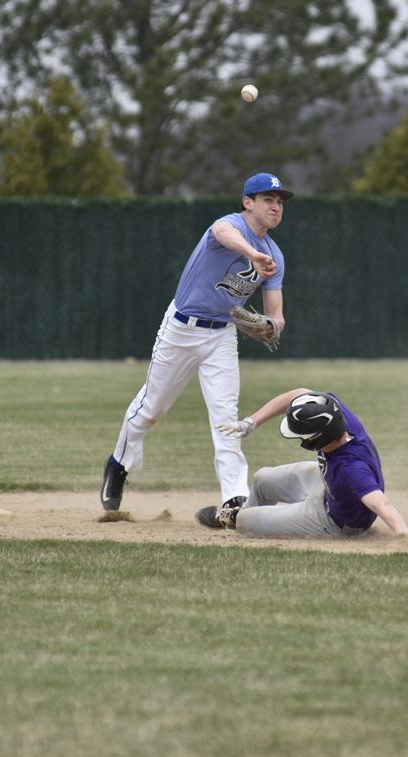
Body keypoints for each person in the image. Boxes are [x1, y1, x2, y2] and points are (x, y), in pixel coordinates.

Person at [101, 173, 292, 515]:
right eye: (268, 200)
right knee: (151, 409)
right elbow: (222, 233)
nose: (276, 207)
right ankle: (118, 464)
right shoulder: (229, 227)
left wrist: (269, 327)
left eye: (279, 202)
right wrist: (251, 254)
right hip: (181, 330)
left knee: (225, 417)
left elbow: (276, 315)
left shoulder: (274, 255)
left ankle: (234, 499)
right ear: (248, 203)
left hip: (221, 335)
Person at [197, 388, 408, 541]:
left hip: (331, 522)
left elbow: (380, 503)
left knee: (245, 521)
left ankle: (238, 519)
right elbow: (301, 393)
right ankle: (245, 511)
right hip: (327, 486)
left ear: (318, 439)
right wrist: (252, 422)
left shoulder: (351, 468)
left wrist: (403, 532)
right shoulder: (336, 414)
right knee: (261, 479)